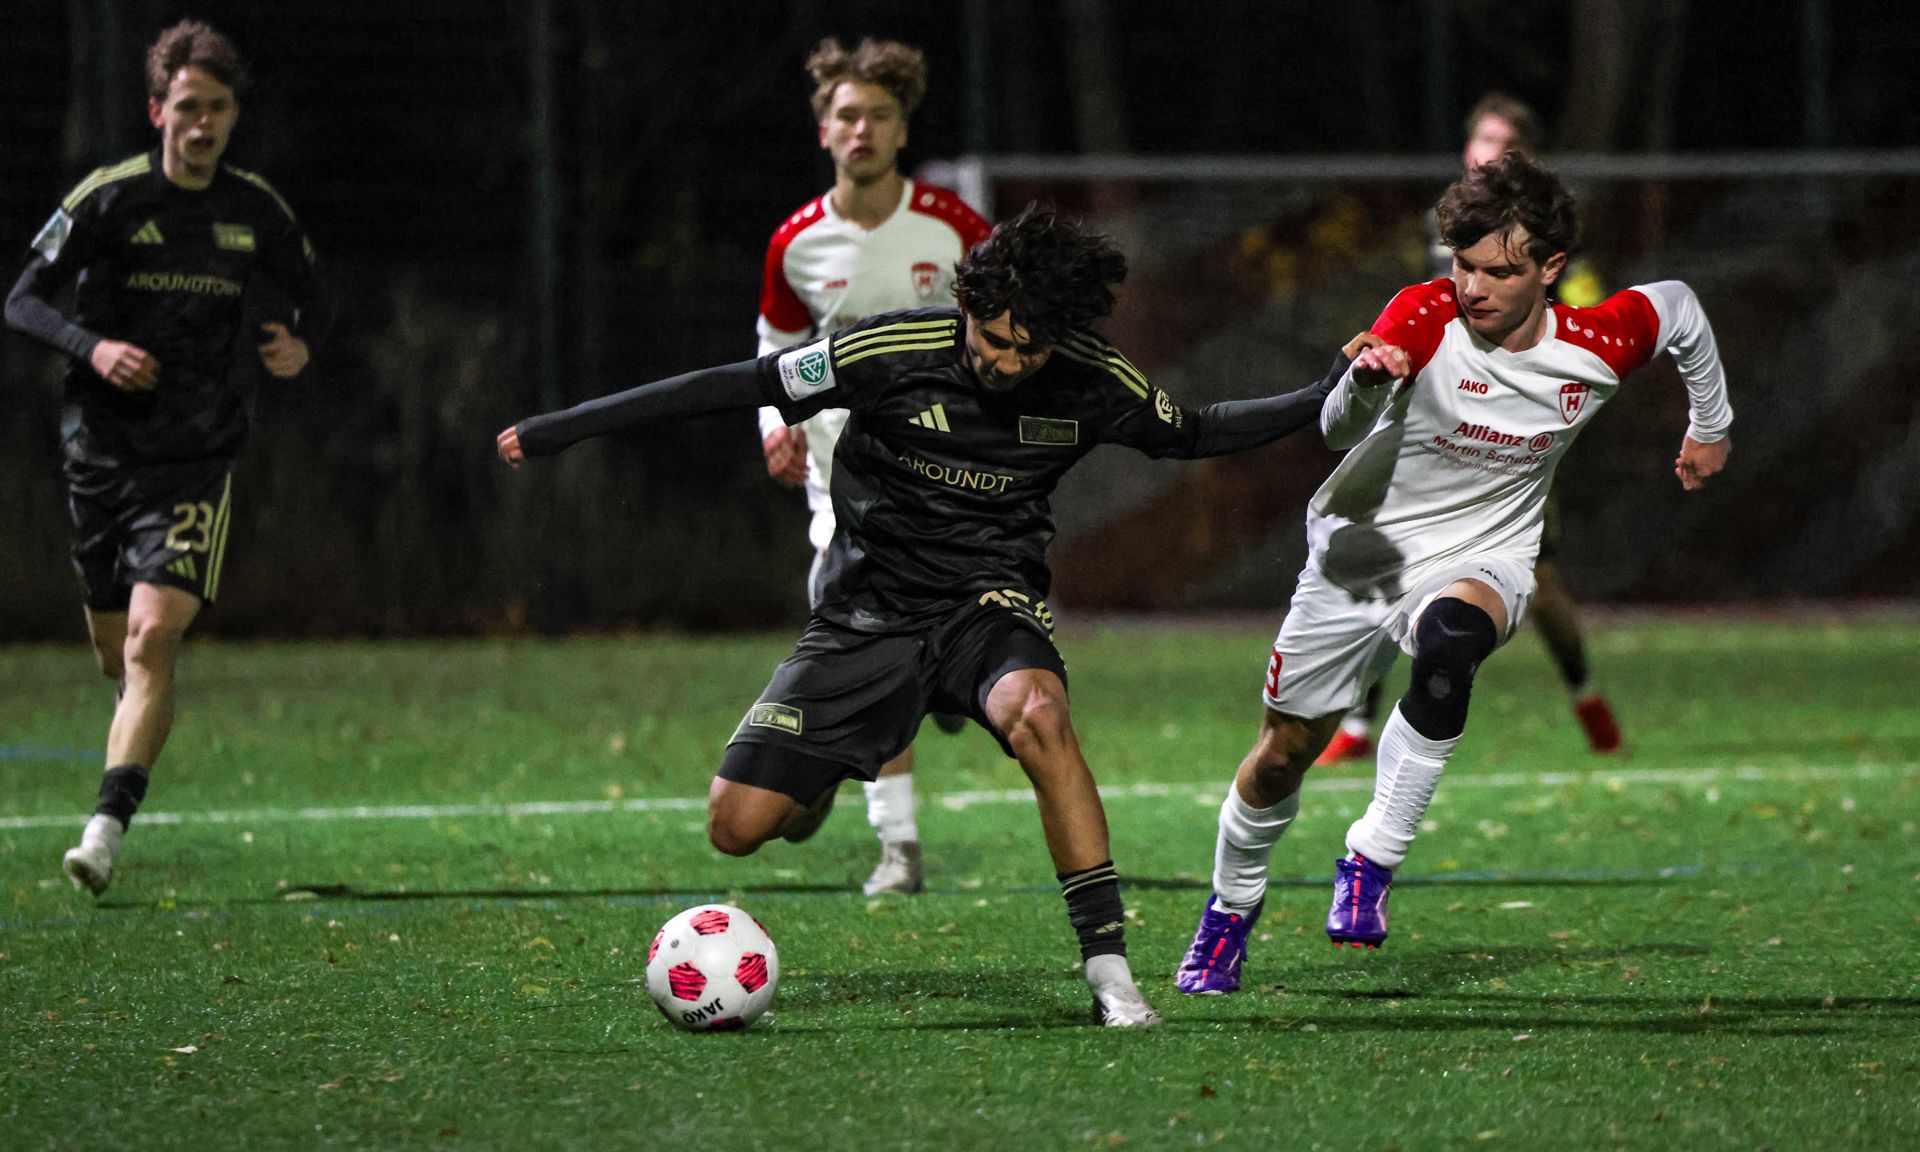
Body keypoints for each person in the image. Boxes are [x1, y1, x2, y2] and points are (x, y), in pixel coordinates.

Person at [500, 206, 1356, 1027]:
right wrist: (561, 430)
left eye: (1030, 349)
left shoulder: (1092, 379)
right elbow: (731, 386)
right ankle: (829, 773)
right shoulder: (889, 348)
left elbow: (1199, 431)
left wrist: (1329, 391)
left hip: (987, 600)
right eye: (993, 338)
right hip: (867, 610)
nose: (1008, 362)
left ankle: (1110, 973)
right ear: (966, 306)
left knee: (1042, 715)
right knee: (738, 829)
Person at [1176, 153, 1731, 993]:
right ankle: (1229, 910)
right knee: (1282, 756)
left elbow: (1681, 308)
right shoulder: (1422, 314)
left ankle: (1372, 858)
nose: (1474, 287)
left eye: (1500, 271)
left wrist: (1710, 424)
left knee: (1451, 643)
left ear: (1550, 269)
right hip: (1362, 553)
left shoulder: (1598, 341)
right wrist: (1364, 383)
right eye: (1464, 265)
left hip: (1487, 552)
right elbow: (1334, 431)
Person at [4, 19, 322, 897]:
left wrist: (298, 341)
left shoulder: (255, 210)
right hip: (101, 455)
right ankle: (133, 726)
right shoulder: (108, 199)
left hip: (197, 460)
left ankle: (103, 834)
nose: (203, 122)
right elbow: (22, 302)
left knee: (152, 642)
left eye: (218, 107)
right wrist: (92, 346)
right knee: (120, 655)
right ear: (156, 110)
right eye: (187, 105)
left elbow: (314, 296)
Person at [1316, 92, 1619, 767]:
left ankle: (1587, 694)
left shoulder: (1548, 234)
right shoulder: (1446, 220)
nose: (1487, 155)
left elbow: (1590, 311)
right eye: (1480, 141)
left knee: (1538, 581)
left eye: (1502, 144)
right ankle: (1361, 725)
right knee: (1386, 557)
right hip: (1434, 423)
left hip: (1512, 428)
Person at [755, 37, 992, 897]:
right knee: (866, 635)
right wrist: (772, 426)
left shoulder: (952, 227)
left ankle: (884, 726)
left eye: (879, 115)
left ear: (901, 128)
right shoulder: (795, 242)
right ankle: (897, 844)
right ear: (824, 131)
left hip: (946, 474)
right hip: (842, 481)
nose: (862, 129)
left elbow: (1001, 325)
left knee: (925, 646)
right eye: (846, 116)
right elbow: (775, 349)